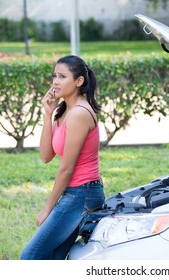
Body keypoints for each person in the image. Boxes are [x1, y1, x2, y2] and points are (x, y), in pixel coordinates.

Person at [20, 55, 104, 260]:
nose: (56, 81)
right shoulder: (64, 111)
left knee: (30, 257)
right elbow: (46, 155)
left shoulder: (79, 114)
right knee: (55, 258)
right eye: (55, 76)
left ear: (79, 81)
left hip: (82, 194)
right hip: (76, 192)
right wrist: (47, 114)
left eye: (63, 76)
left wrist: (47, 208)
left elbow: (66, 168)